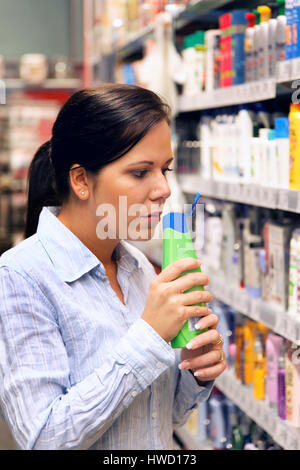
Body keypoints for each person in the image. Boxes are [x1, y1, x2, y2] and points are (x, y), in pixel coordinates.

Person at [0, 83, 226, 450]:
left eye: (164, 170)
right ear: (80, 180)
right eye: (141, 172)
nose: (164, 189)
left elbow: (156, 420)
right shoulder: (21, 276)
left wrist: (195, 372)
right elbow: (42, 439)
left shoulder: (137, 265)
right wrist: (150, 336)